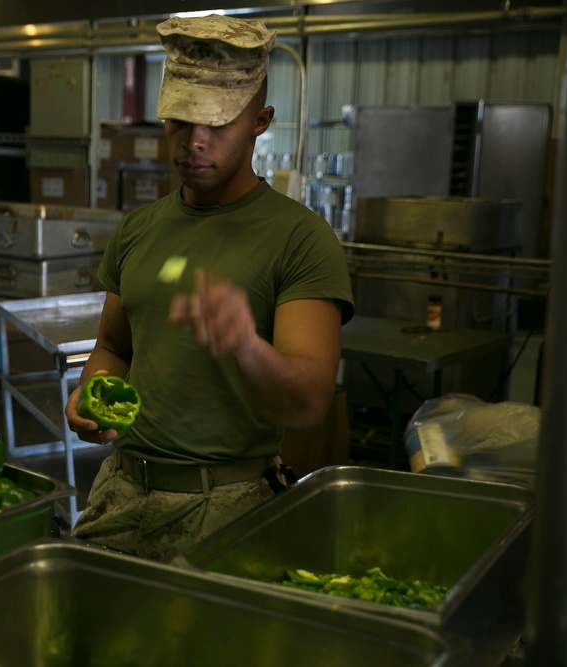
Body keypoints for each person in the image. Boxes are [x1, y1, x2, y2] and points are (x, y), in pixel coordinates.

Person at [64, 14, 355, 562]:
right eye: (180, 120)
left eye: (217, 124)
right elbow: (114, 348)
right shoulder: (137, 229)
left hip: (229, 505)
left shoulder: (301, 240)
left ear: (260, 121)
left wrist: (245, 346)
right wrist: (91, 394)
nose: (193, 143)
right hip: (118, 494)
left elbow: (311, 401)